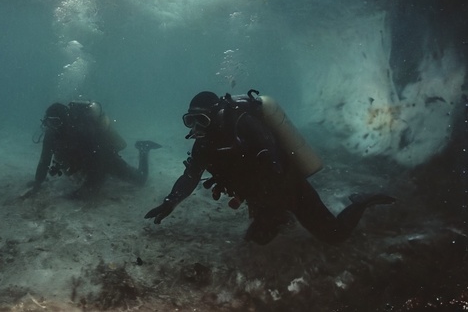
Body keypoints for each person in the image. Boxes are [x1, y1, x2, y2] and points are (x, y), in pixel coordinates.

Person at [144, 89, 395, 245]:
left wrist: (272, 208)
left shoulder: (244, 125)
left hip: (289, 186)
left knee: (334, 236)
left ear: (217, 114)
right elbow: (190, 176)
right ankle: (279, 218)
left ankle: (360, 202)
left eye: (202, 119)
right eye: (190, 120)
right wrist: (170, 201)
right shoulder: (203, 146)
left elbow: (273, 161)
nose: (196, 127)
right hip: (259, 195)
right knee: (258, 241)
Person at [28, 101, 161, 198]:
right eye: (48, 122)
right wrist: (38, 182)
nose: (51, 126)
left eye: (56, 122)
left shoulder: (84, 132)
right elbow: (44, 159)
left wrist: (85, 191)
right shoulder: (51, 133)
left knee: (140, 180)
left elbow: (100, 163)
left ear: (65, 121)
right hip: (83, 161)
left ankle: (143, 149)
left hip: (105, 157)